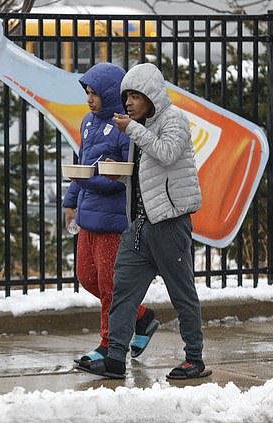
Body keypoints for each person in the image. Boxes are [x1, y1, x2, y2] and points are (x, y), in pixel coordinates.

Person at [77, 62, 211, 380]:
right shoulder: (136, 127)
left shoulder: (173, 120)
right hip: (138, 226)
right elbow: (143, 176)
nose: (129, 104)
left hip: (169, 224)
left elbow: (166, 153)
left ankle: (195, 359)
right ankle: (114, 357)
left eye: (135, 97)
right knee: (122, 290)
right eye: (126, 97)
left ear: (151, 95)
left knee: (182, 293)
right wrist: (116, 173)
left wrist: (132, 130)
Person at [64, 62, 160, 365]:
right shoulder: (87, 123)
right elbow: (83, 162)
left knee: (110, 286)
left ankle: (108, 345)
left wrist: (88, 179)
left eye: (95, 93)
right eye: (87, 93)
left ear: (109, 93)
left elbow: (123, 177)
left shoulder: (125, 128)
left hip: (113, 220)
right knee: (87, 277)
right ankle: (141, 317)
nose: (90, 99)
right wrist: (71, 201)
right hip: (88, 216)